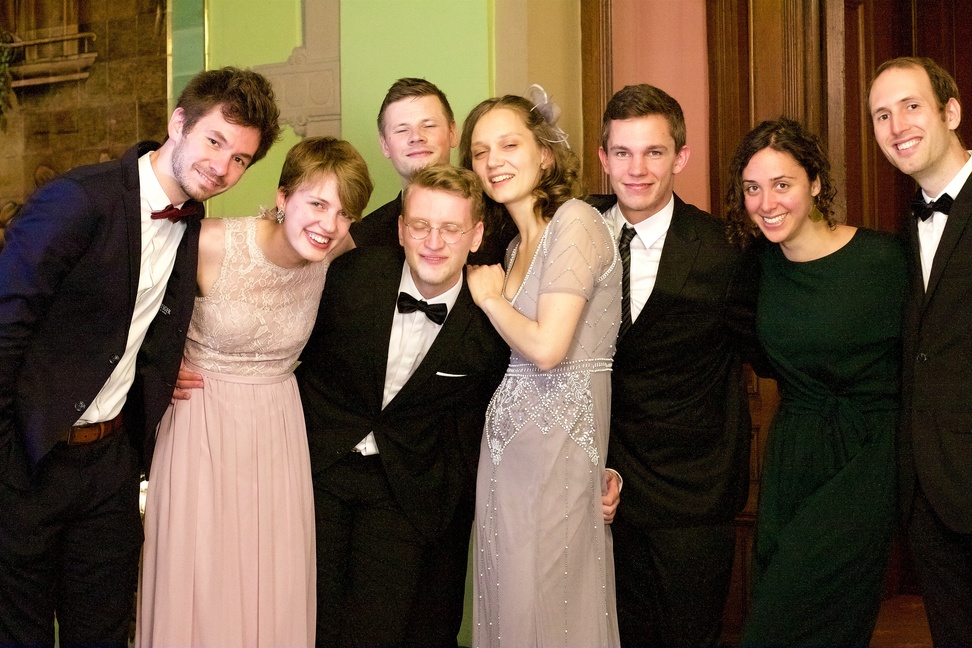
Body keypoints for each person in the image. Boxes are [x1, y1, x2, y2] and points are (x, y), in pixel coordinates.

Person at [0, 66, 280, 647]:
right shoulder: (78, 201)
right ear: (178, 123)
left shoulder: (192, 223)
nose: (222, 167)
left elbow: (142, 326)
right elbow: (5, 329)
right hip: (27, 459)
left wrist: (158, 379)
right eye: (214, 141)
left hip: (110, 466)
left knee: (104, 631)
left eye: (240, 159)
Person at [136, 136, 372, 647]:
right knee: (201, 576)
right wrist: (156, 366)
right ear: (283, 197)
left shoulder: (335, 250)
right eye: (317, 204)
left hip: (278, 432)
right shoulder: (209, 243)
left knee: (273, 579)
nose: (329, 224)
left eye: (344, 213)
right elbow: (126, 313)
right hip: (200, 426)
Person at [298, 164, 509, 647]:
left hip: (408, 491)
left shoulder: (492, 318)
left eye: (451, 228)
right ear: (399, 229)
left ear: (476, 236)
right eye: (420, 226)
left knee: (379, 631)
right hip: (320, 475)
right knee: (307, 623)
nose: (433, 242)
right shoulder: (348, 276)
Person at [725, 116, 906, 646]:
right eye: (752, 188)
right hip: (794, 456)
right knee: (780, 603)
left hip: (867, 458)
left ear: (816, 183)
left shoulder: (885, 259)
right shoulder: (756, 267)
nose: (766, 203)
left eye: (782, 184)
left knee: (792, 622)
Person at [587, 83, 756, 646]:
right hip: (595, 490)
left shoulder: (725, 248)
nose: (636, 169)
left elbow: (770, 347)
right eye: (623, 152)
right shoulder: (573, 230)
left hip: (691, 495)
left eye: (654, 152)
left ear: (681, 157)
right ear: (603, 156)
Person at [461, 87, 622, 647]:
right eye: (480, 152)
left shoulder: (575, 221)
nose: (493, 161)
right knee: (509, 598)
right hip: (507, 449)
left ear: (546, 154)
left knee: (553, 602)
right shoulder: (512, 249)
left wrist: (490, 300)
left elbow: (550, 349)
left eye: (509, 145)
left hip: (562, 445)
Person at [869, 57, 972, 646]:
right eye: (881, 115)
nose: (896, 125)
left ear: (950, 112)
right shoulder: (905, 227)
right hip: (930, 495)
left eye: (911, 106)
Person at [351, 77, 513, 265]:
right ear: (384, 144)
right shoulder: (362, 239)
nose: (416, 137)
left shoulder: (506, 222)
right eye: (402, 130)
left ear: (452, 133)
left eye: (428, 125)